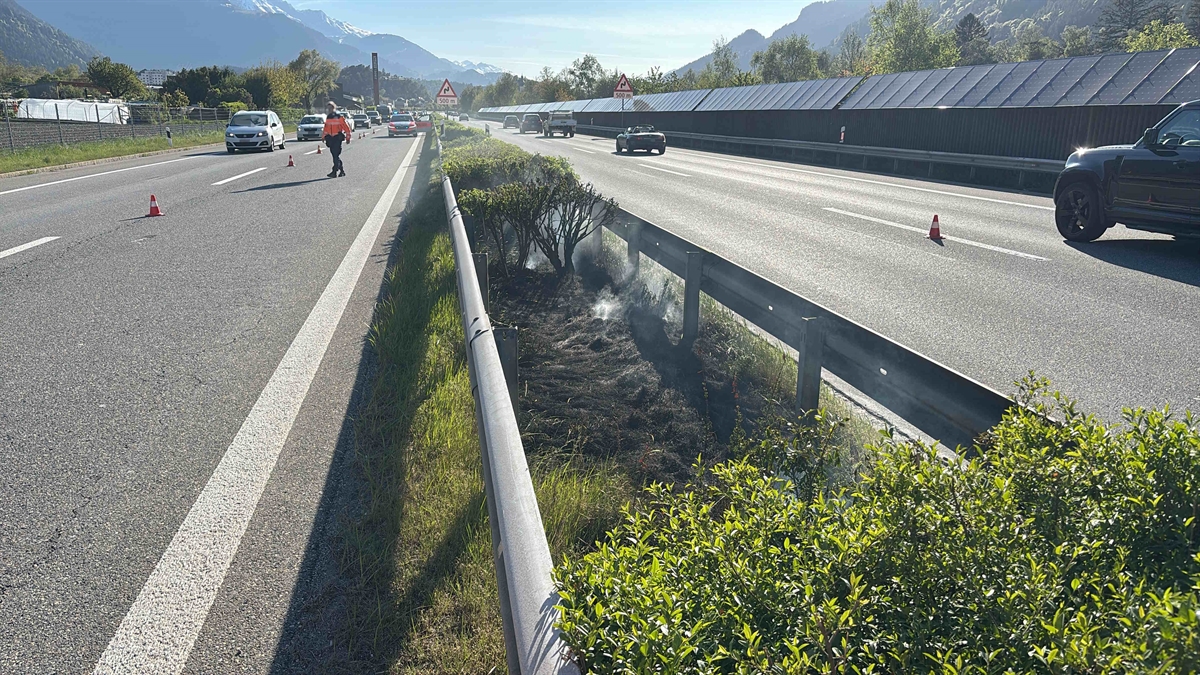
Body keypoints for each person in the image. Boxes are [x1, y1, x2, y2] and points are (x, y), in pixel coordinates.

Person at [322, 101, 353, 178]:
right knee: (335, 156)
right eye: (328, 108)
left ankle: (334, 171)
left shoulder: (339, 116)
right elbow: (326, 128)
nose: (328, 109)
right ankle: (341, 171)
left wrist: (348, 138)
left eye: (330, 108)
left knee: (335, 155)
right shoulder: (328, 117)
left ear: (333, 108)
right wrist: (323, 136)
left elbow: (346, 128)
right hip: (330, 139)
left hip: (337, 138)